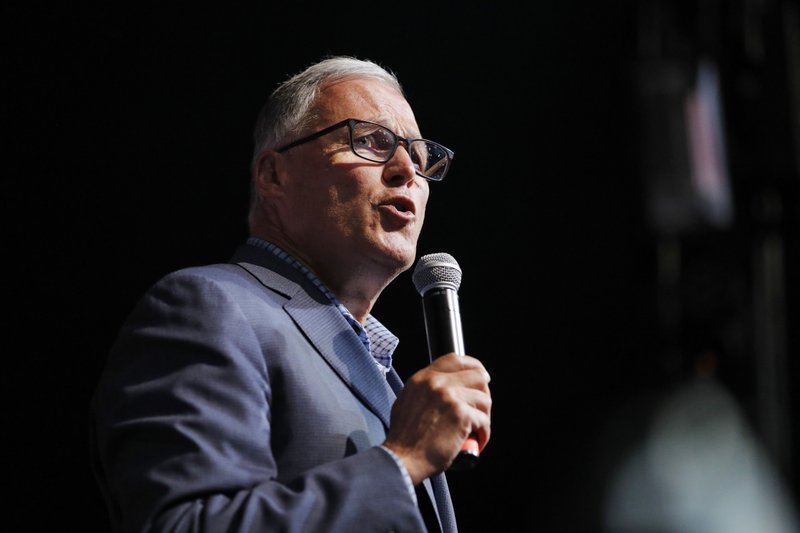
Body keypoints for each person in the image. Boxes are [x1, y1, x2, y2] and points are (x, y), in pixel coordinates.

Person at [89, 55, 492, 533]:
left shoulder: (387, 379)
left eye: (422, 159)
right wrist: (402, 461)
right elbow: (184, 524)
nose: (407, 168)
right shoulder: (208, 307)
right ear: (274, 175)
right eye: (371, 141)